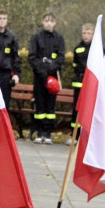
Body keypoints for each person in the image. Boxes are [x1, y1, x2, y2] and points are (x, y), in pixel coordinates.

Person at [27, 11, 65, 144]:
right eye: (46, 21)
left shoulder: (59, 38)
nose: (48, 23)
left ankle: (48, 133)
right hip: (39, 77)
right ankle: (39, 132)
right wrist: (42, 70)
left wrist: (52, 67)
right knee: (40, 105)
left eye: (51, 21)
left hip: (53, 77)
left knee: (50, 106)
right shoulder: (36, 37)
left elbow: (61, 57)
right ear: (42, 22)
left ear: (55, 23)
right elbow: (32, 57)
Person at [70, 23, 94, 131]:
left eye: (89, 33)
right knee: (77, 108)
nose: (86, 36)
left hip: (92, 84)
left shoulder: (98, 49)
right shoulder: (78, 48)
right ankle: (74, 133)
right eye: (84, 33)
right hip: (79, 83)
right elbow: (75, 65)